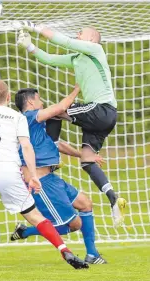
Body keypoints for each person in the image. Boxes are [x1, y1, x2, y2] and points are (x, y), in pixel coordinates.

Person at [0, 80, 88, 271]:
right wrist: (32, 175)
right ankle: (65, 251)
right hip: (10, 171)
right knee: (34, 216)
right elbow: (26, 146)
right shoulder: (18, 118)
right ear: (8, 97)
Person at [15, 21, 126, 226]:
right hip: (101, 120)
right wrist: (30, 46)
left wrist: (36, 28)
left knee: (58, 111)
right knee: (87, 160)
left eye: (81, 32)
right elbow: (49, 59)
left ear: (91, 39)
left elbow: (64, 41)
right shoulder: (77, 58)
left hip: (101, 109)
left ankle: (52, 148)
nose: (77, 33)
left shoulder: (95, 50)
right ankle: (113, 198)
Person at [10, 87, 107, 264]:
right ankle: (26, 232)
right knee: (73, 224)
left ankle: (92, 254)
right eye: (39, 99)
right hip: (42, 183)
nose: (42, 103)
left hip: (52, 178)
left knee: (86, 204)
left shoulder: (37, 126)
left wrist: (84, 155)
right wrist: (78, 88)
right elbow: (61, 107)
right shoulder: (27, 118)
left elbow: (58, 144)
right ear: (30, 102)